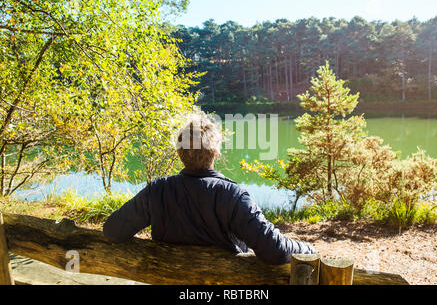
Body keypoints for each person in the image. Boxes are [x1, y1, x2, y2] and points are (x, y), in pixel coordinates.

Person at [103, 114, 315, 265]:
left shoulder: (157, 191)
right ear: (215, 153)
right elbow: (275, 250)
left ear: (180, 153)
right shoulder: (232, 196)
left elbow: (112, 230)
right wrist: (308, 250)